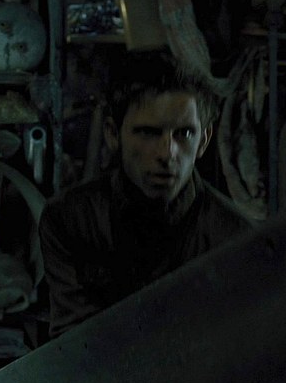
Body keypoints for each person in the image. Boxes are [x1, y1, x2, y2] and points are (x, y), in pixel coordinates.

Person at [39, 52, 255, 338]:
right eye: (148, 133)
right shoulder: (71, 220)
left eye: (184, 134)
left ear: (203, 141)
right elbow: (73, 341)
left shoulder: (235, 237)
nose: (167, 153)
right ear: (113, 134)